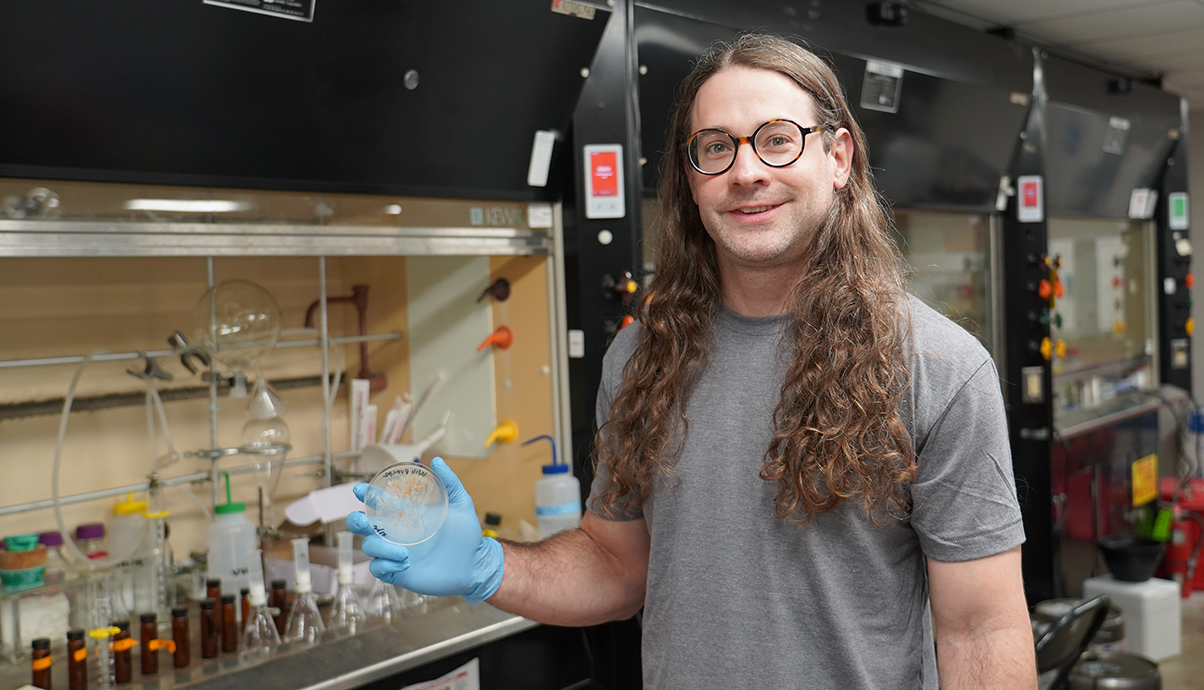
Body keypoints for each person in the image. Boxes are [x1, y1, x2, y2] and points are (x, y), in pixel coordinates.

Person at [348, 33, 1036, 689]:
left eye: (776, 140)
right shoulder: (643, 358)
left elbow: (981, 630)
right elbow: (617, 567)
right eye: (716, 148)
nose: (746, 172)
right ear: (691, 176)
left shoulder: (939, 369)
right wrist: (488, 564)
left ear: (838, 158)